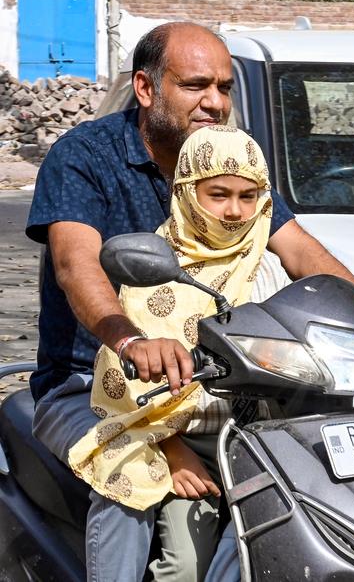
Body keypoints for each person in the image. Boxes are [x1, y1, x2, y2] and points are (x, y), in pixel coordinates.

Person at [25, 21, 354, 582]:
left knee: (299, 468)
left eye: (223, 87)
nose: (215, 103)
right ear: (145, 89)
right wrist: (130, 340)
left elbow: (303, 253)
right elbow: (78, 266)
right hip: (90, 386)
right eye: (195, 85)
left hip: (218, 387)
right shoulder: (85, 157)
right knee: (130, 484)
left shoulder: (230, 160)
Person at [68, 124, 276, 576]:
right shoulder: (155, 267)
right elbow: (127, 383)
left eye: (248, 196)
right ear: (186, 191)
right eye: (218, 194)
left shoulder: (270, 263)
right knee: (183, 560)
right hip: (173, 436)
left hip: (262, 437)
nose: (235, 210)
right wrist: (175, 449)